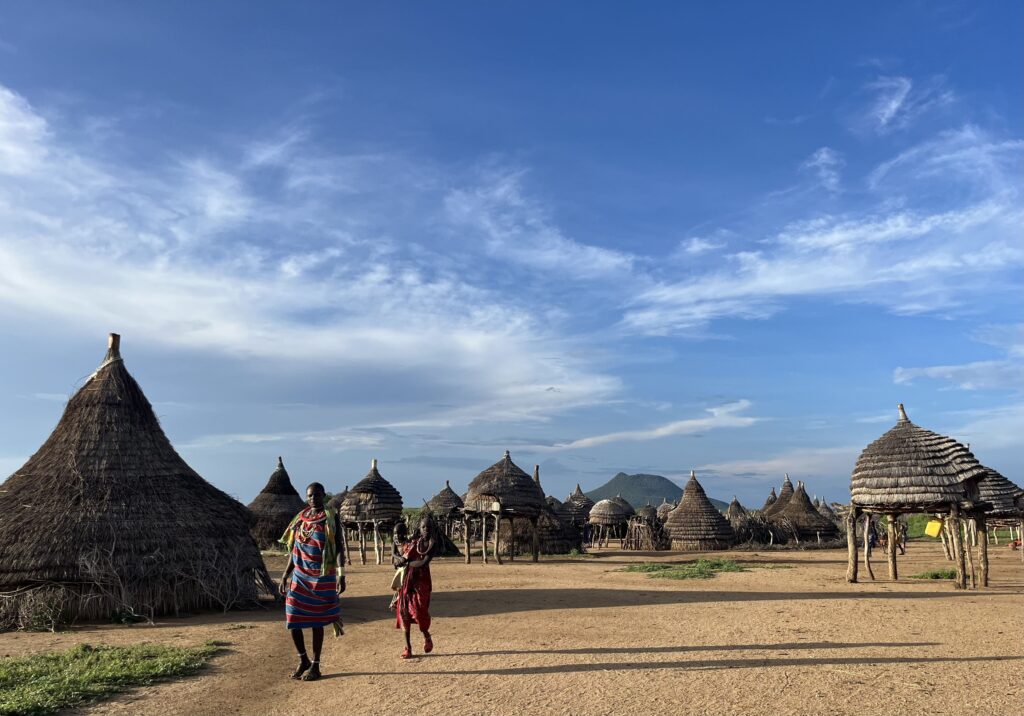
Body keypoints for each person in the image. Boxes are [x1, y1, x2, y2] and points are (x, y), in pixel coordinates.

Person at [279, 482, 345, 681]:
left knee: (317, 620)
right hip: (299, 576)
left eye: (316, 494)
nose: (313, 498)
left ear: (323, 495)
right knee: (292, 617)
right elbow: (295, 549)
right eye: (309, 495)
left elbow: (338, 547)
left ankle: (316, 665)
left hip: (322, 576)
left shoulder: (330, 518)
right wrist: (285, 575)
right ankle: (303, 660)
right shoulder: (301, 518)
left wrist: (341, 575)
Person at [394, 515, 435, 659]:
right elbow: (400, 555)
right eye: (423, 527)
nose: (426, 529)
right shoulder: (413, 543)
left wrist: (406, 563)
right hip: (407, 581)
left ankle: (427, 636)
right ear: (419, 528)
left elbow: (424, 562)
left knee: (418, 612)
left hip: (421, 583)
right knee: (404, 611)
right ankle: (408, 648)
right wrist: (399, 560)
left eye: (428, 527)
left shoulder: (432, 544)